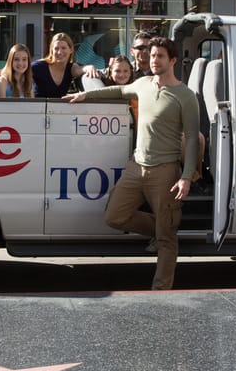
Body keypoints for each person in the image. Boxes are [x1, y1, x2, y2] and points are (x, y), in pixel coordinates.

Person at [64, 37, 200, 290]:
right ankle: (159, 228)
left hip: (166, 171)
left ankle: (161, 291)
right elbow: (117, 91)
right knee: (115, 216)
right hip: (136, 167)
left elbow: (192, 138)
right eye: (152, 56)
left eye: (160, 56)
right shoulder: (143, 83)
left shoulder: (185, 95)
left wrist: (187, 175)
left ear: (172, 60)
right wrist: (85, 95)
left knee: (167, 240)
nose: (154, 60)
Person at [32, 32, 99, 98]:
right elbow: (23, 73)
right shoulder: (39, 66)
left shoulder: (70, 68)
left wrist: (89, 67)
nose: (59, 52)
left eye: (63, 48)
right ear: (51, 50)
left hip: (59, 108)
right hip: (37, 107)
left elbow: (79, 70)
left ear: (71, 50)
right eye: (56, 48)